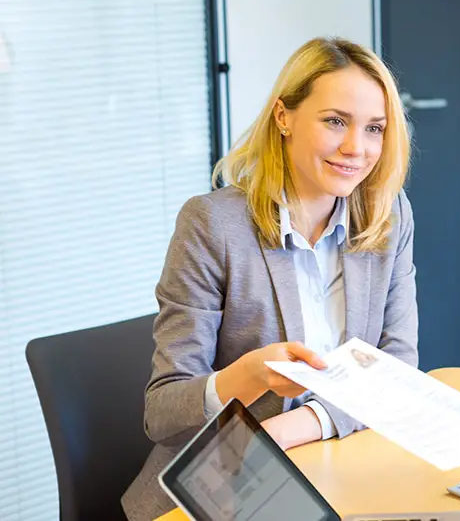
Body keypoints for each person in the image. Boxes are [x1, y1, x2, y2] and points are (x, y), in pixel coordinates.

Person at [122, 37, 418, 521]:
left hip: (336, 464)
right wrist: (246, 376)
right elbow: (163, 412)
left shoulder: (387, 215)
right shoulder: (213, 225)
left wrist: (297, 426)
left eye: (374, 128)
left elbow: (397, 371)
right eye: (335, 121)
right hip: (226, 488)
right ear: (284, 117)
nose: (356, 148)